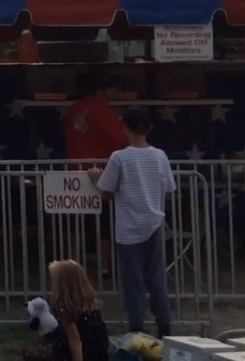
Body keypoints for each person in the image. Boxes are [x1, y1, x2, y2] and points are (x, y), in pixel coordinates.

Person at [87, 106, 175, 337]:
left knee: (133, 280)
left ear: (124, 127)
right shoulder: (160, 155)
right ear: (150, 128)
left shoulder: (119, 157)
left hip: (127, 228)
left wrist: (96, 177)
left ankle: (137, 327)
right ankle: (164, 325)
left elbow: (106, 192)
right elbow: (168, 187)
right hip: (154, 223)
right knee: (157, 277)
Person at [63, 74, 128, 273]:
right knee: (104, 222)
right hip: (99, 172)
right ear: (104, 89)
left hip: (75, 170)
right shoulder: (103, 110)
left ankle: (71, 264)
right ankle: (104, 266)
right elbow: (120, 140)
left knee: (78, 221)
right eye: (115, 89)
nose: (117, 94)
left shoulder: (75, 109)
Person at [23, 260, 111, 361]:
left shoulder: (65, 309)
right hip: (98, 354)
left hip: (80, 354)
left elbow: (75, 341)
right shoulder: (91, 305)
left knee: (32, 354)